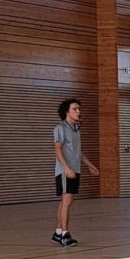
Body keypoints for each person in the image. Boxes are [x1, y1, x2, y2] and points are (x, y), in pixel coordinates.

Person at [52, 99, 99, 247]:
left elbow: (78, 152)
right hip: (65, 170)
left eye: (79, 109)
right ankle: (65, 234)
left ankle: (58, 232)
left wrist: (90, 165)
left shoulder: (76, 130)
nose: (78, 111)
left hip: (75, 169)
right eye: (75, 109)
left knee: (65, 201)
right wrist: (66, 168)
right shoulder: (60, 128)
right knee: (67, 201)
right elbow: (57, 149)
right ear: (67, 111)